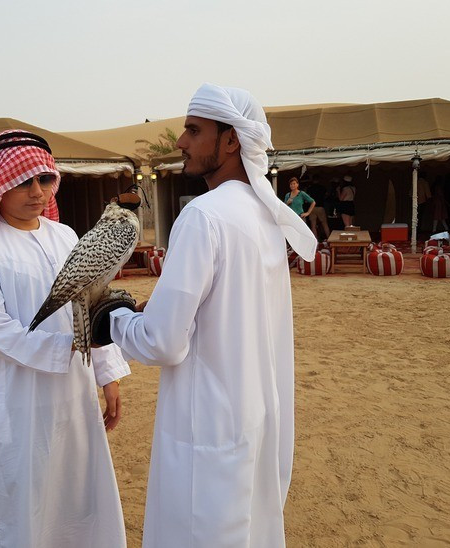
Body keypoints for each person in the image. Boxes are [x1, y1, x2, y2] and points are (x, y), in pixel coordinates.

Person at [102, 83, 316, 547]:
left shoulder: (204, 215)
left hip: (206, 426)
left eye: (194, 130)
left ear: (231, 139)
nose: (181, 141)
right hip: (254, 416)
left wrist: (115, 319)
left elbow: (163, 341)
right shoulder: (264, 214)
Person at [0, 130, 128, 548]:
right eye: (23, 181)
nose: (37, 192)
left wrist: (108, 373)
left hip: (75, 392)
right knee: (21, 504)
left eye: (45, 180)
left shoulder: (64, 236)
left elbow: (90, 303)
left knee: (78, 494)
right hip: (16, 399)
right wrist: (70, 348)